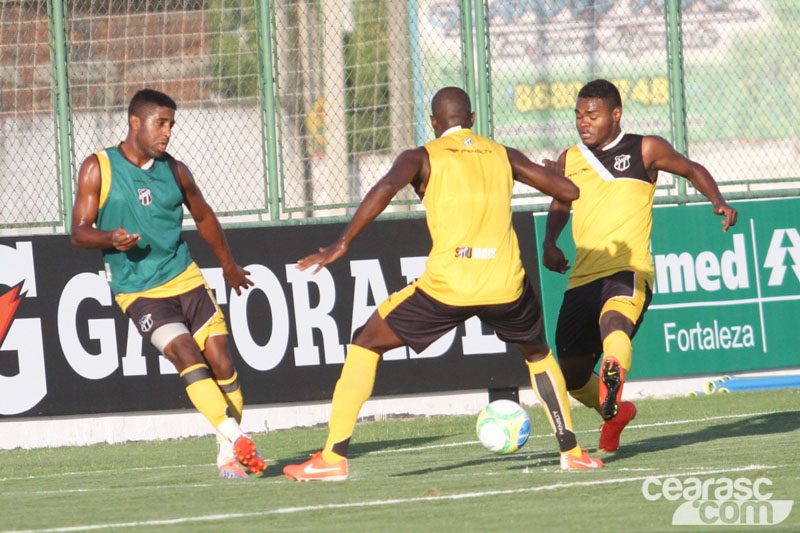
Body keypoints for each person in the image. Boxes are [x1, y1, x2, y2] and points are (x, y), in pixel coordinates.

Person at [283, 86, 603, 482]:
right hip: (505, 283)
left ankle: (333, 457)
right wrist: (553, 174)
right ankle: (571, 451)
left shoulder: (422, 156)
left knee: (367, 343)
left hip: (448, 285)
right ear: (471, 119)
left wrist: (343, 242)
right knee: (537, 354)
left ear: (434, 123)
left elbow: (384, 188)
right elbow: (568, 192)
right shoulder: (503, 153)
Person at [70, 88, 266, 479]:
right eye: (161, 123)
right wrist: (110, 239)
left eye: (172, 124)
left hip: (185, 277)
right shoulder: (99, 167)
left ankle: (227, 455)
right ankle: (237, 437)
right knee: (185, 355)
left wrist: (227, 265)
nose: (168, 132)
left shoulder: (176, 171)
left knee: (222, 361)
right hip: (139, 291)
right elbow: (78, 232)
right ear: (134, 122)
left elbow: (205, 216)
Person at [541, 79, 738, 453]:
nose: (584, 123)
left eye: (593, 115)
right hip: (582, 276)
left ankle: (615, 371)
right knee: (571, 374)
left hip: (628, 269)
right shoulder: (569, 158)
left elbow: (692, 169)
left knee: (614, 323)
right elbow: (561, 204)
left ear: (616, 115)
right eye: (579, 115)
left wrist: (718, 200)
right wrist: (550, 241)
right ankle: (615, 414)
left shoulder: (645, 148)